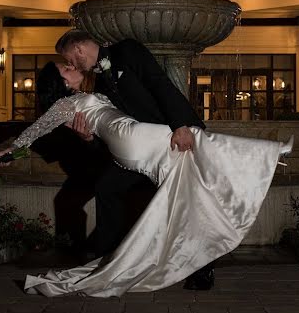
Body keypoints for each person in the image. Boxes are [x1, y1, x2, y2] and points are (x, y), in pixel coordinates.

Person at [0, 60, 292, 298]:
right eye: (66, 69)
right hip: (132, 138)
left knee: (192, 191)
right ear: (61, 83)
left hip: (129, 147)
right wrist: (3, 154)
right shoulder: (64, 105)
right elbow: (33, 132)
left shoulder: (84, 94)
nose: (72, 67)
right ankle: (268, 155)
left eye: (69, 65)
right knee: (198, 139)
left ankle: (195, 257)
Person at [57, 31, 213, 290]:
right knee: (106, 187)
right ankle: (107, 262)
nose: (72, 65)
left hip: (172, 140)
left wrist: (181, 125)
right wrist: (88, 139)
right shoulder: (100, 83)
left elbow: (159, 84)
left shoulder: (127, 50)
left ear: (80, 49)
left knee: (185, 201)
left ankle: (202, 269)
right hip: (142, 150)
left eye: (70, 59)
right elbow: (113, 129)